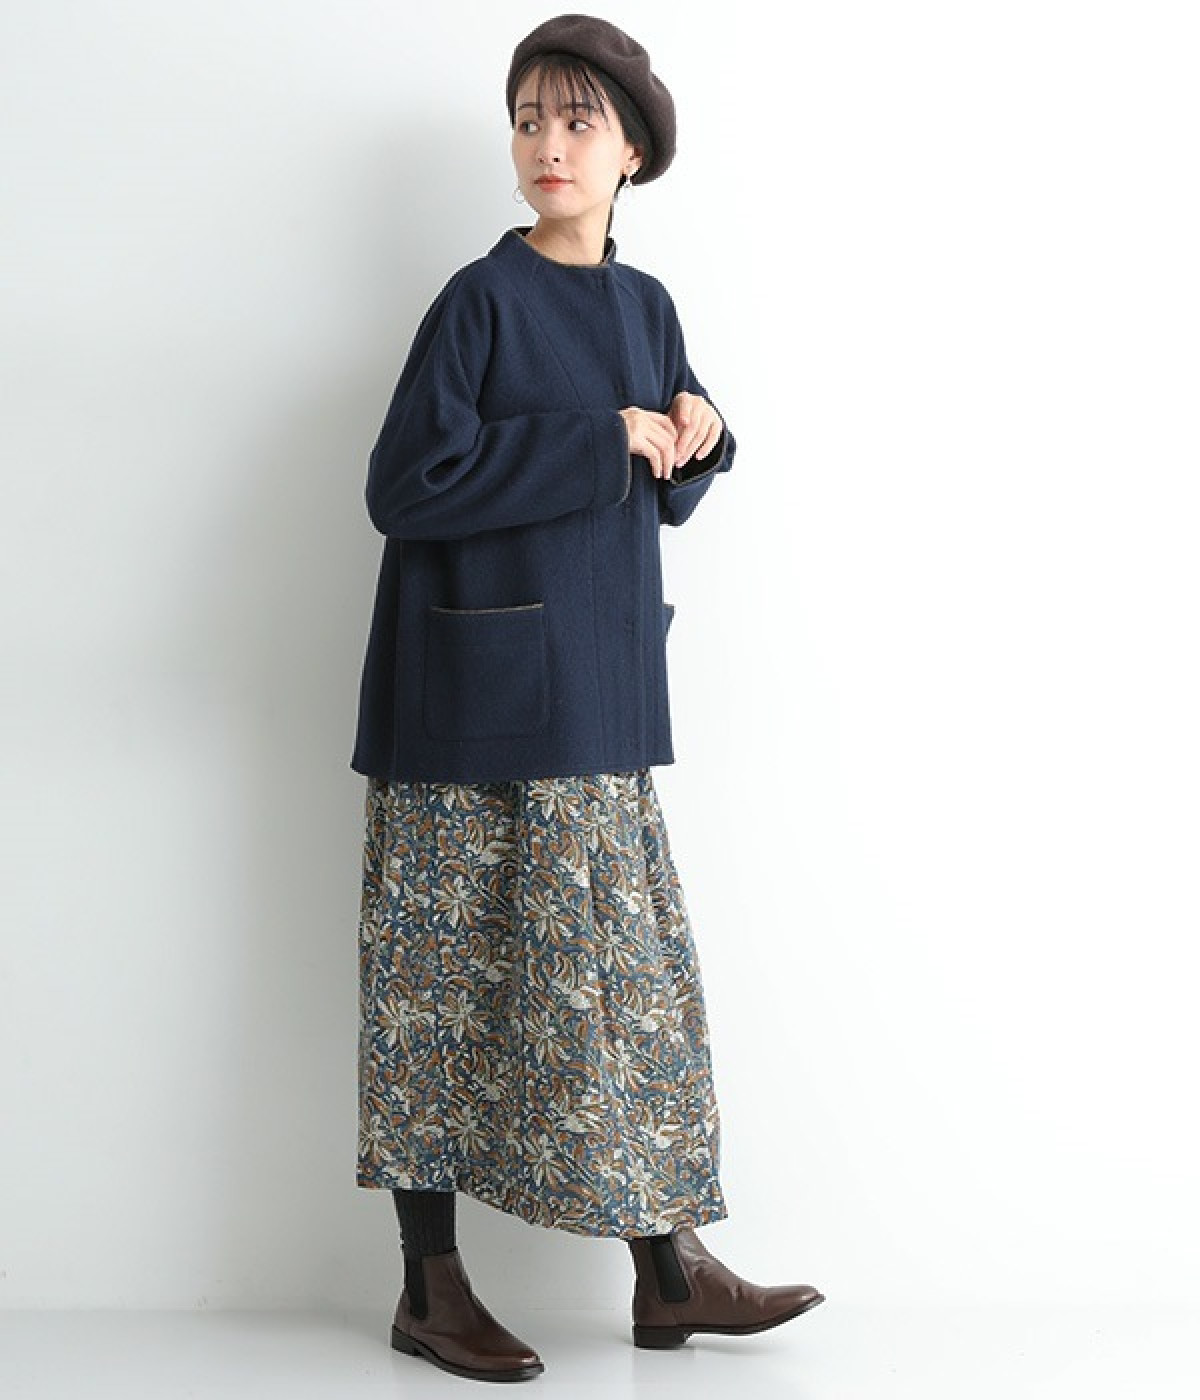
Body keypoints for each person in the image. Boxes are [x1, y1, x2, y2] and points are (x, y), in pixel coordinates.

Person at [349, 13, 825, 1383]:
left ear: (632, 155)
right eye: (528, 120)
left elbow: (666, 474)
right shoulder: (478, 302)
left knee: (628, 991)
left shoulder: (646, 306)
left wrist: (702, 433)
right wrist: (593, 437)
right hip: (465, 709)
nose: (547, 145)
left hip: (598, 701)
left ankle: (670, 1275)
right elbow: (402, 487)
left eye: (577, 121)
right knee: (438, 994)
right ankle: (429, 1287)